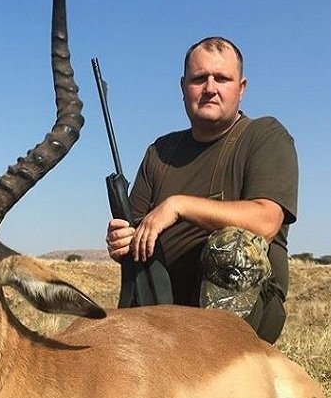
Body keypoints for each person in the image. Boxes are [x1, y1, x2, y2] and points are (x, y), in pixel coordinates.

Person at [105, 36, 298, 343]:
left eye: (222, 78)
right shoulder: (160, 151)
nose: (210, 88)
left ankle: (223, 362)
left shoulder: (264, 135)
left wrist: (178, 205)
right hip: (167, 309)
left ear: (241, 88)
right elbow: (136, 235)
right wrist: (122, 240)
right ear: (183, 87)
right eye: (199, 79)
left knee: (232, 246)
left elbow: (266, 221)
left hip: (242, 318)